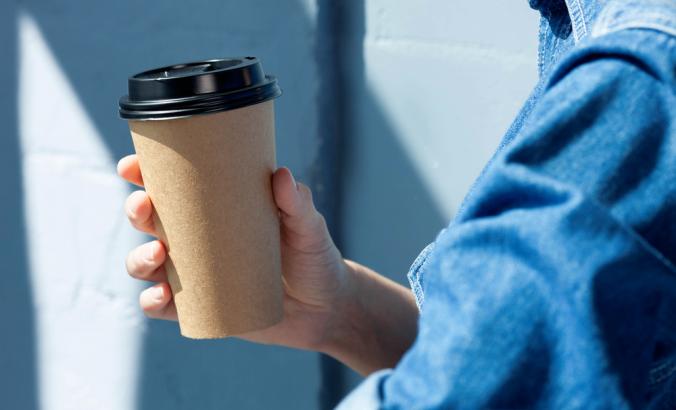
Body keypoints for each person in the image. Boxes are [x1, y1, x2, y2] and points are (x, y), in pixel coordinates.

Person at [118, 0, 675, 408]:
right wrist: (340, 313)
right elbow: (524, 355)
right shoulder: (580, 33)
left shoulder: (645, 74)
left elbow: (474, 391)